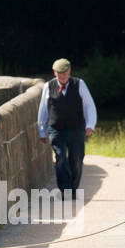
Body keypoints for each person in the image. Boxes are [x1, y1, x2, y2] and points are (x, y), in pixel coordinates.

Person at [37, 58, 97, 199]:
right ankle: (65, 190)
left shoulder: (79, 84)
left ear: (69, 71)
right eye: (59, 73)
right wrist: (41, 130)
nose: (62, 76)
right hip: (56, 129)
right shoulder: (48, 86)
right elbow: (43, 110)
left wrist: (90, 125)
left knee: (76, 159)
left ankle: (73, 188)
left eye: (65, 73)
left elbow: (89, 105)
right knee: (61, 156)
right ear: (54, 72)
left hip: (76, 128)